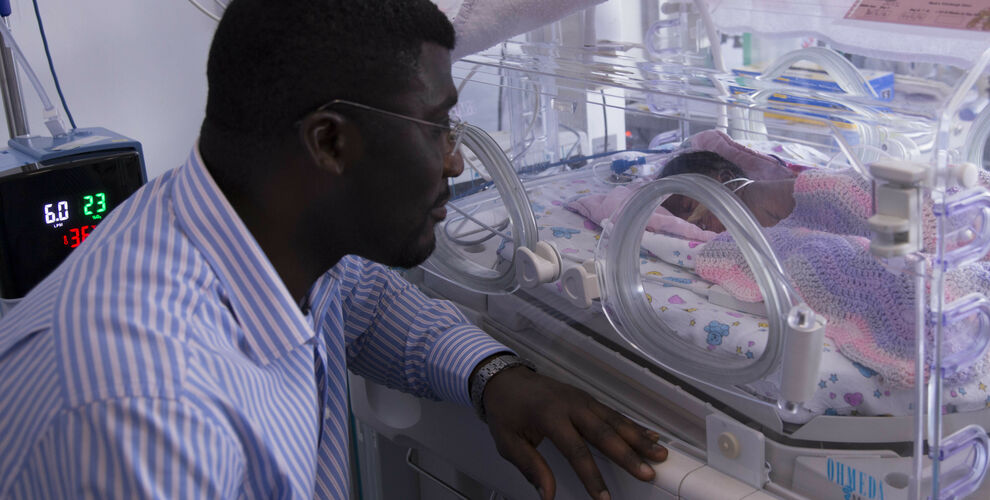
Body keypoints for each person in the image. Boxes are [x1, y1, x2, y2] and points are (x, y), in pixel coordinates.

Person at [0, 1, 666, 499]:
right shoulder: (148, 416)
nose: (459, 162)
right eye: (436, 127)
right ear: (329, 142)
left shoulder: (234, 224)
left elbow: (364, 301)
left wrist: (493, 376)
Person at [657, 149, 990, 390]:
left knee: (912, 223)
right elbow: (809, 249)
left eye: (689, 207)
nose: (692, 223)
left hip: (899, 209)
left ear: (724, 180)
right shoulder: (743, 233)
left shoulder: (755, 193)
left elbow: (843, 196)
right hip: (883, 248)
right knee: (874, 270)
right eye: (680, 219)